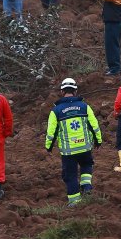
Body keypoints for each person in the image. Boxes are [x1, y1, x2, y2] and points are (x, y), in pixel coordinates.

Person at [44, 77, 103, 206]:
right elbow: (94, 125)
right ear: (75, 91)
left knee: (70, 175)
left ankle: (74, 201)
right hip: (85, 147)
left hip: (68, 151)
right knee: (86, 165)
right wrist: (98, 141)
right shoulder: (85, 107)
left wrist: (48, 147)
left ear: (62, 92)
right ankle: (86, 186)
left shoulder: (56, 111)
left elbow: (51, 132)